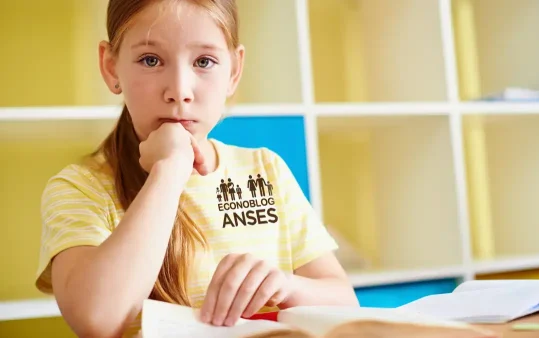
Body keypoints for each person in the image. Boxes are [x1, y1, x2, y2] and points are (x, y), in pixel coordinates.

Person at [33, 0, 359, 337]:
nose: (179, 91)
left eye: (204, 61)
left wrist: (285, 286)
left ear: (234, 71)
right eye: (150, 60)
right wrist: (169, 171)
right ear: (112, 68)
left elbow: (345, 302)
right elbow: (98, 319)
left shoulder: (266, 169)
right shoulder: (79, 187)